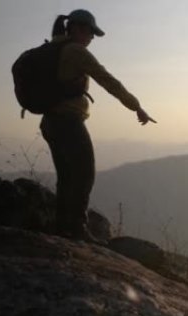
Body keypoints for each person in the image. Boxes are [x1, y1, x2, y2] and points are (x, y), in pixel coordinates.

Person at [40, 9, 156, 241]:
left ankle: (62, 226)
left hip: (50, 123)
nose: (92, 38)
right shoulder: (75, 51)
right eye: (91, 33)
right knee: (84, 174)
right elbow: (108, 80)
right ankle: (76, 228)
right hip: (68, 122)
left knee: (66, 175)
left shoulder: (53, 48)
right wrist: (136, 106)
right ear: (77, 29)